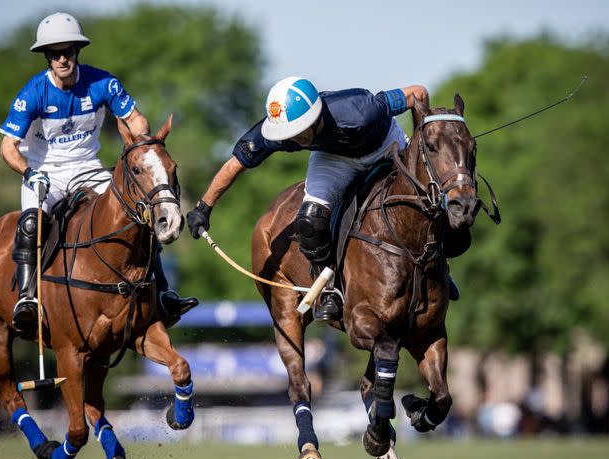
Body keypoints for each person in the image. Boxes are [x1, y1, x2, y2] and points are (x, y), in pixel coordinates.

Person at [187, 76, 458, 322]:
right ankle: (329, 288)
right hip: (334, 158)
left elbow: (418, 94)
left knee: (427, 198)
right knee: (309, 220)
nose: (292, 139)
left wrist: (420, 150)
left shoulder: (361, 109)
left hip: (383, 145)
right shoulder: (279, 128)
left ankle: (438, 270)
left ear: (315, 118)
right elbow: (236, 164)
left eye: (298, 131)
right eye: (287, 134)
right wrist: (204, 207)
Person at [0, 12, 197, 331]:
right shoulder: (33, 93)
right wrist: (28, 172)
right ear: (46, 57)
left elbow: (136, 119)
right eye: (54, 53)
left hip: (89, 169)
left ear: (77, 51)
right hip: (45, 174)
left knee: (137, 213)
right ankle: (27, 297)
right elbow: (8, 147)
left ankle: (162, 293)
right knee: (30, 224)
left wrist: (140, 140)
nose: (62, 58)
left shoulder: (102, 83)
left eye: (68, 51)